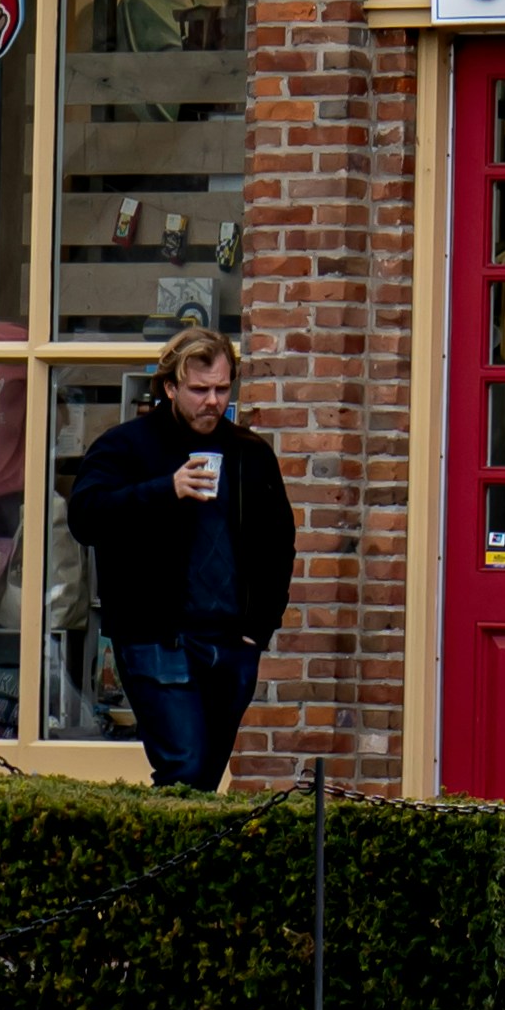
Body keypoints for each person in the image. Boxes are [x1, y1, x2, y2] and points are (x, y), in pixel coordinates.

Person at [64, 322, 296, 790]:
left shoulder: (250, 452)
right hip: (155, 637)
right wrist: (164, 489)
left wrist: (259, 629)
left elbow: (279, 543)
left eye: (222, 388)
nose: (213, 401)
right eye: (199, 390)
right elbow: (85, 517)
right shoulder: (128, 445)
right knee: (184, 769)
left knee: (205, 778)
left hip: (231, 643)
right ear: (170, 387)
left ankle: (177, 861)